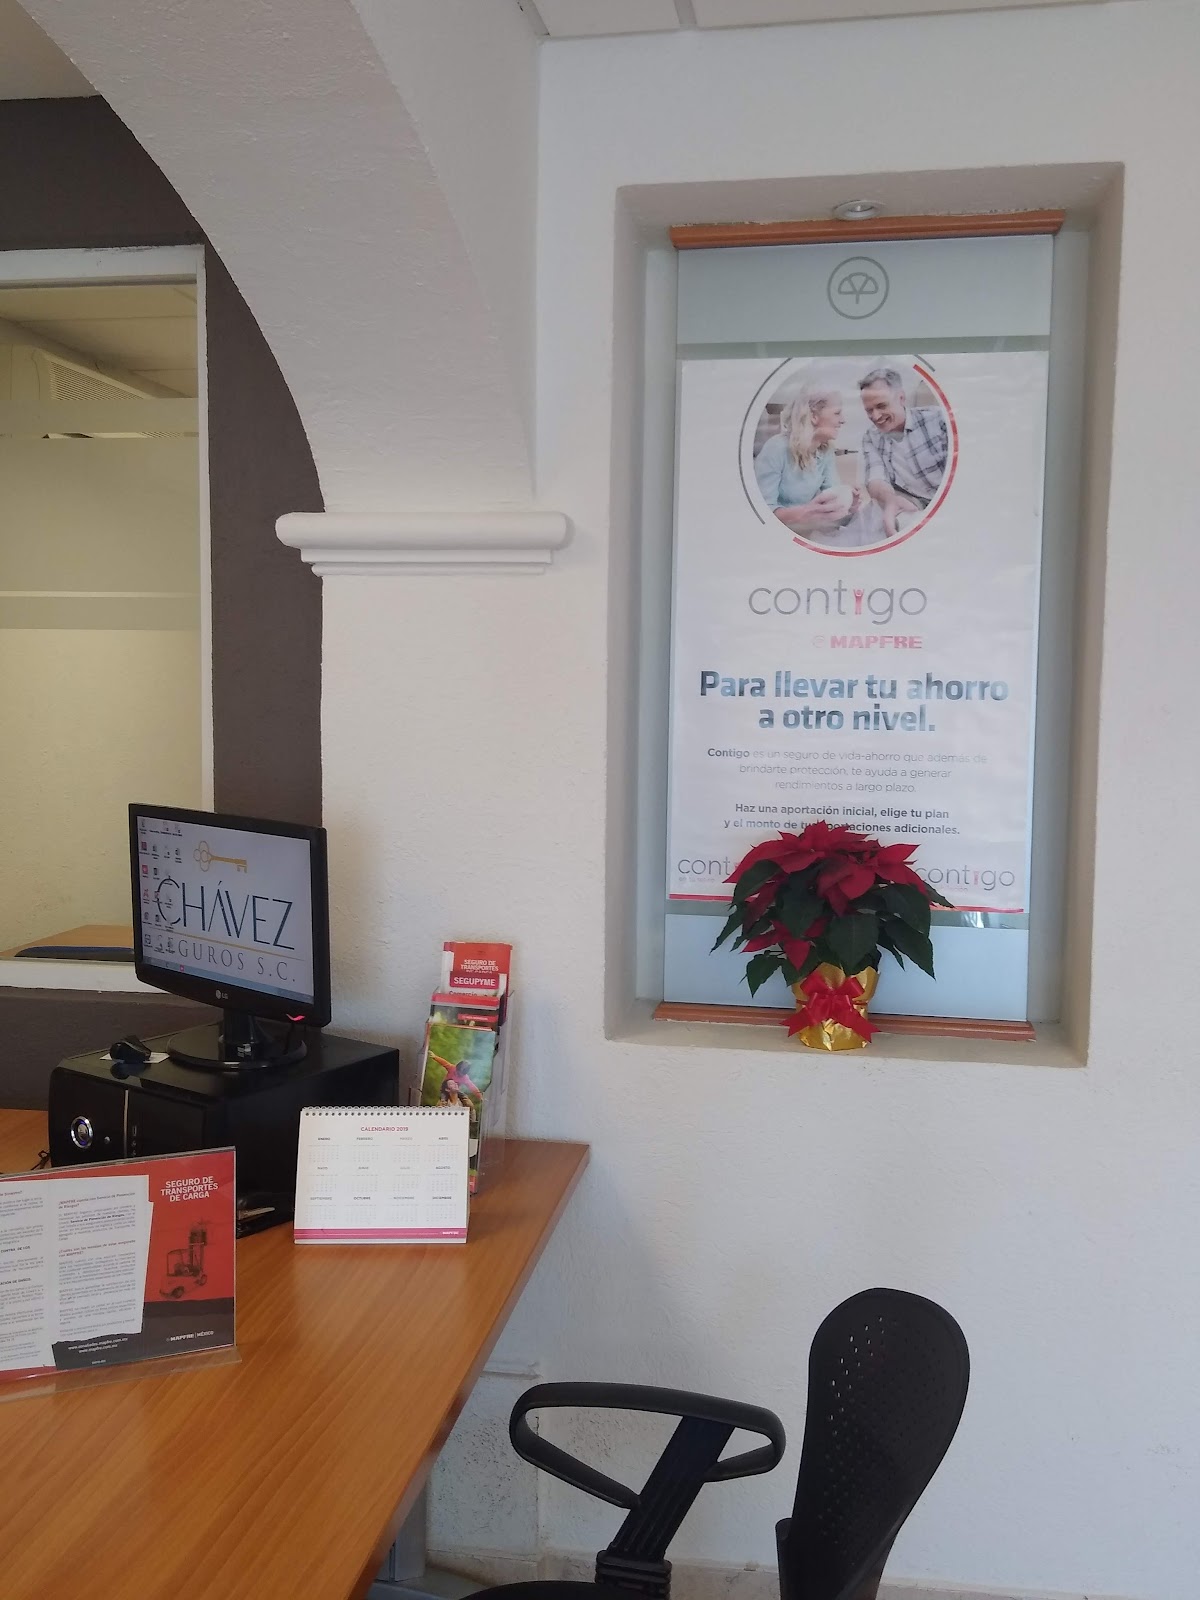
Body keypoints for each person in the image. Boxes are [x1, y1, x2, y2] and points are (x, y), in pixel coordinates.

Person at [754, 387, 861, 537]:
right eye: (837, 413)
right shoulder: (776, 448)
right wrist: (806, 512)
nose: (843, 420)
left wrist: (848, 506)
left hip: (803, 534)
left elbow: (832, 498)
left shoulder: (825, 451)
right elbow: (761, 512)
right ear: (814, 416)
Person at [857, 366, 949, 538]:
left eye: (881, 406)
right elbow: (875, 479)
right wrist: (891, 500)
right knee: (874, 516)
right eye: (869, 410)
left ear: (901, 398)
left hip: (949, 500)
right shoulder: (871, 436)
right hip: (912, 502)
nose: (876, 416)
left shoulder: (939, 420)